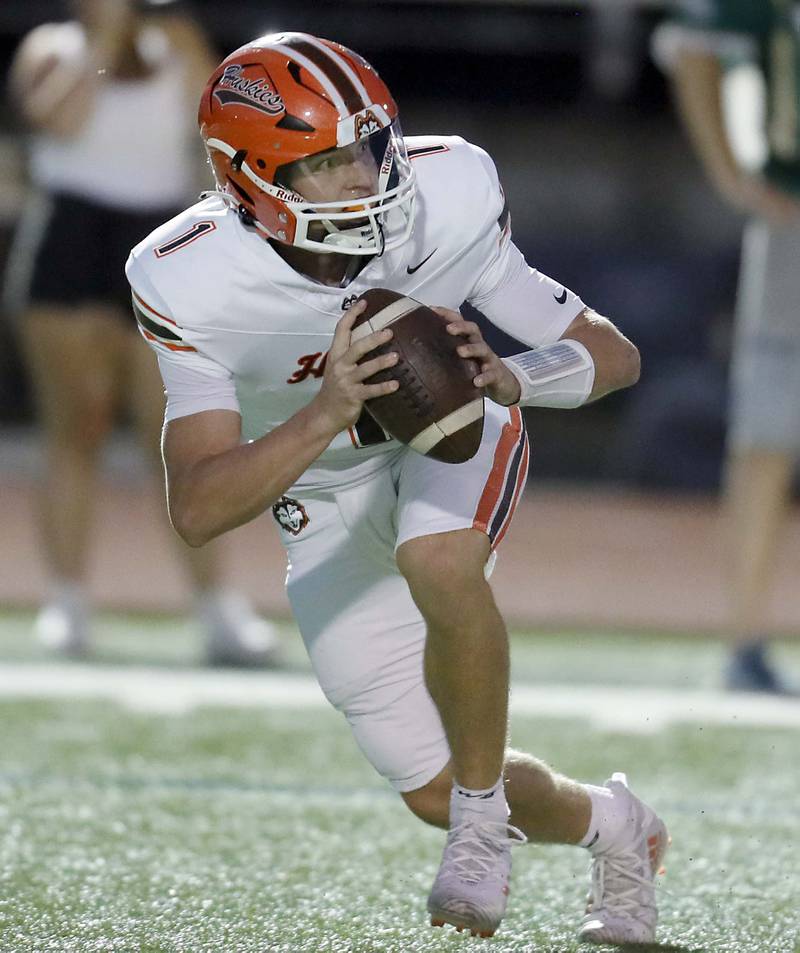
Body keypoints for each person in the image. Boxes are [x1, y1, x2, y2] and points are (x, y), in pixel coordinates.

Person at [126, 32, 668, 942]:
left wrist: (514, 374)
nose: (366, 179)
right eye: (329, 164)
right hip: (324, 488)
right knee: (426, 784)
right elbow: (200, 509)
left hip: (453, 428)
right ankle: (613, 822)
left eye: (370, 148)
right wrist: (326, 409)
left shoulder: (450, 191)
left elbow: (615, 355)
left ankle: (480, 822)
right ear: (253, 183)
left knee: (439, 555)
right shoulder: (187, 277)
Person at [6, 0, 279, 666]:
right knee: (77, 424)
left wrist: (182, 41)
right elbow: (57, 123)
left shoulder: (175, 42)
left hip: (158, 236)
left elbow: (224, 121)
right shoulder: (52, 45)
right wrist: (104, 45)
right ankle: (68, 602)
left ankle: (216, 609)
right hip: (71, 232)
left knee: (181, 429)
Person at [655, 2, 800, 694]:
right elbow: (694, 46)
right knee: (767, 433)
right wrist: (732, 176)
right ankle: (744, 638)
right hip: (794, 216)